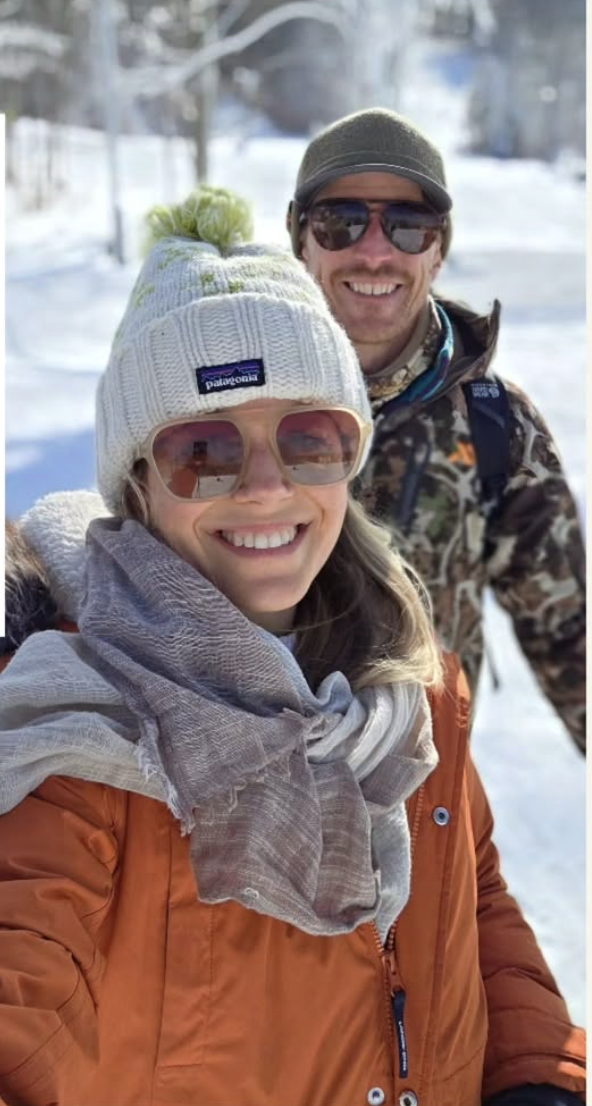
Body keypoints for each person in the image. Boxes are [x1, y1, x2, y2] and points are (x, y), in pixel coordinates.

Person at [0, 190, 585, 1106]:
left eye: (310, 437)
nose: (268, 486)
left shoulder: (414, 687)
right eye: (205, 448)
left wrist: (536, 1074)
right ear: (140, 484)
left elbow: (469, 902)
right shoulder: (80, 731)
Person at [286, 107, 586, 754]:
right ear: (298, 237)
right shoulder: (234, 398)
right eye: (339, 222)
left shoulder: (496, 425)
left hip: (425, 810)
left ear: (439, 248)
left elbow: (570, 636)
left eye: (408, 225)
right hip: (241, 812)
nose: (374, 250)